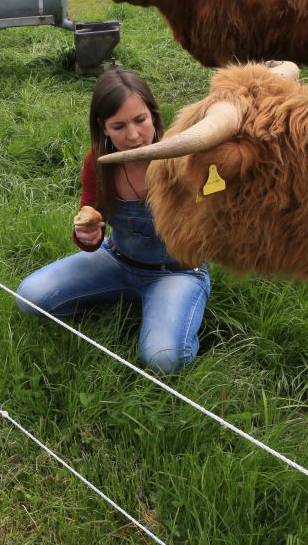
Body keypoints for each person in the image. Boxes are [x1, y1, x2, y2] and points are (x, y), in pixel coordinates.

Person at [16, 68, 211, 374]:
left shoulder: (183, 157)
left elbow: (217, 217)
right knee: (30, 297)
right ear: (103, 128)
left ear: (154, 115)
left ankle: (171, 309)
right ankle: (131, 295)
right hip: (116, 259)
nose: (132, 136)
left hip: (176, 271)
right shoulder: (98, 162)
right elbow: (90, 219)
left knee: (163, 359)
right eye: (118, 126)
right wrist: (88, 235)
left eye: (140, 120)